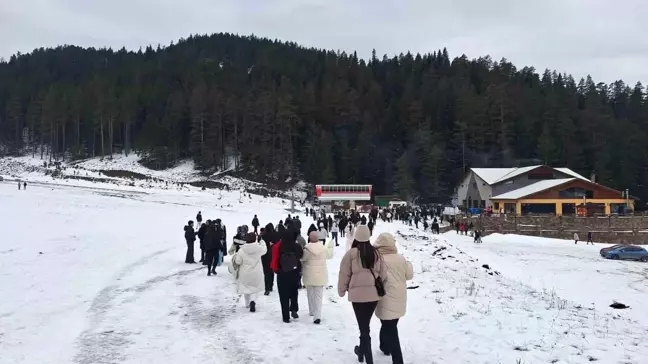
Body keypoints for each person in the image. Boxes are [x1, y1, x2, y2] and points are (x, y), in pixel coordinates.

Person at [338, 225, 383, 364]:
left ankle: (368, 359)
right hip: (373, 296)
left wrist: (342, 290)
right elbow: (383, 274)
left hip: (357, 297)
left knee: (364, 328)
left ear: (356, 237)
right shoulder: (376, 253)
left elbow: (344, 274)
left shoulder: (351, 254)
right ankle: (361, 351)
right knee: (364, 326)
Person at [374, 233, 413, 364]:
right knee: (389, 323)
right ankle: (384, 346)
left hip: (385, 296)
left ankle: (398, 360)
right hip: (400, 296)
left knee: (389, 326)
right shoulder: (401, 258)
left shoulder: (378, 259)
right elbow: (409, 275)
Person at [271, 229, 304, 323]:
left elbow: (274, 259)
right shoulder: (296, 245)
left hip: (282, 273)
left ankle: (286, 316)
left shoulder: (278, 246)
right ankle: (294, 309)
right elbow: (301, 256)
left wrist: (276, 270)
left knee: (283, 295)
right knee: (294, 292)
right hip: (295, 272)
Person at [233, 233, 267, 312]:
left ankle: (247, 303)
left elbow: (238, 261)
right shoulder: (258, 248)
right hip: (256, 272)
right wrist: (262, 241)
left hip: (245, 273)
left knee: (246, 288)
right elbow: (264, 250)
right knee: (254, 288)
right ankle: (252, 301)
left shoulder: (242, 250)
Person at [302, 231, 330, 324]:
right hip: (320, 275)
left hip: (309, 274)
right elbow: (329, 255)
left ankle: (312, 310)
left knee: (310, 293)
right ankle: (317, 316)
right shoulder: (323, 248)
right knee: (318, 296)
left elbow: (302, 259)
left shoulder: (306, 249)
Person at [261, 224, 277, 295]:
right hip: (273, 256)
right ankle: (271, 286)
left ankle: (267, 288)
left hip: (265, 256)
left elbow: (261, 245)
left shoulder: (264, 236)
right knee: (271, 271)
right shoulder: (275, 235)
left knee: (266, 273)